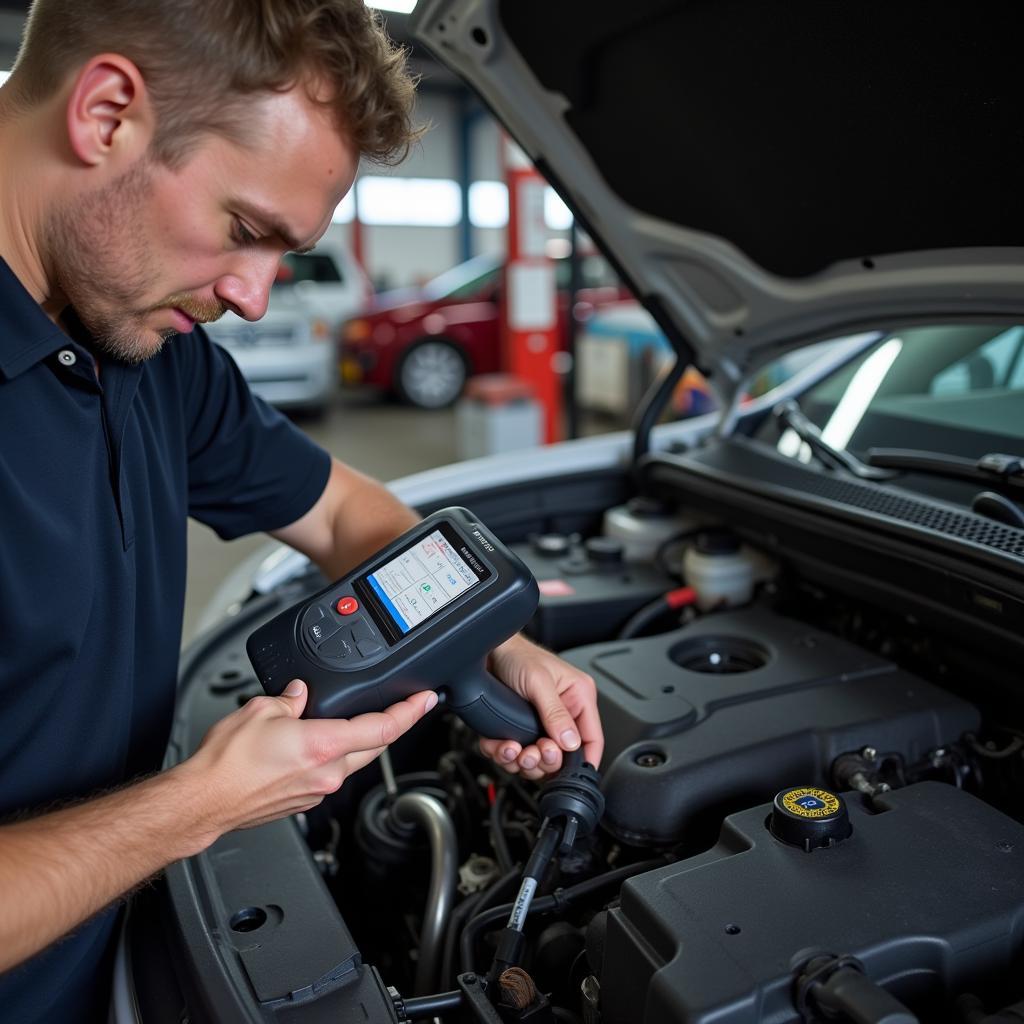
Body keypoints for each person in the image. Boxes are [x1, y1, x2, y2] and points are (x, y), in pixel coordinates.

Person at [0, 2, 604, 1020]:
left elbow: (340, 512)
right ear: (106, 114)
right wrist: (199, 802)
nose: (255, 298)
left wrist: (484, 637)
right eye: (246, 231)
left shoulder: (151, 353)